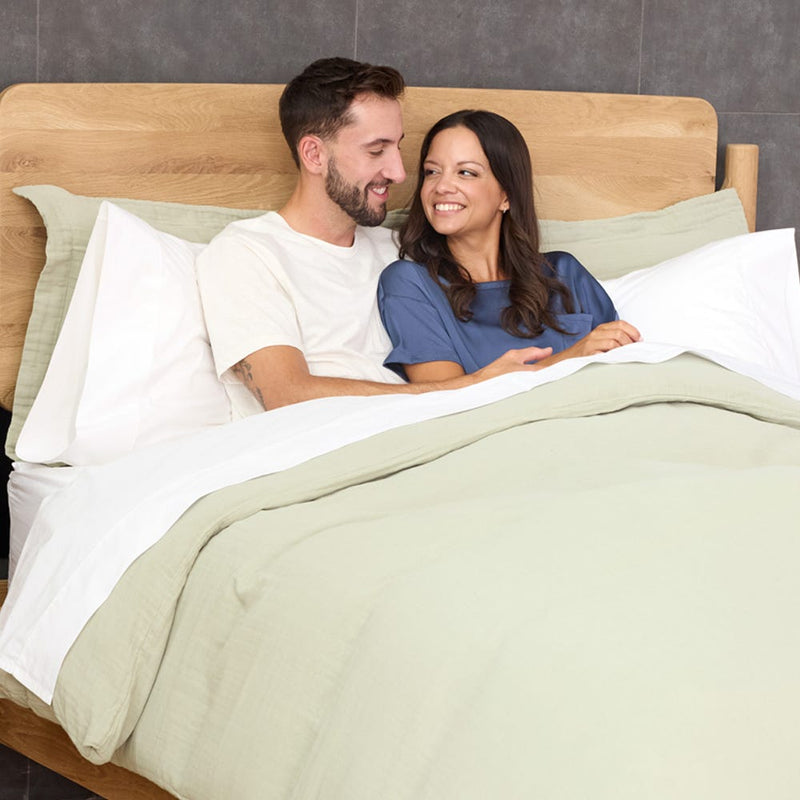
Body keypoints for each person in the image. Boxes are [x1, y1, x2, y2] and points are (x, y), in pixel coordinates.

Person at [197, 59, 552, 416]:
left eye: (397, 147)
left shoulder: (402, 250)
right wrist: (469, 387)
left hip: (431, 431)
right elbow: (287, 395)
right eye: (376, 150)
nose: (399, 173)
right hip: (325, 440)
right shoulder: (245, 254)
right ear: (314, 154)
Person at [377, 109, 641, 382]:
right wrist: (567, 358)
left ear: (507, 195)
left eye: (466, 172)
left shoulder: (565, 273)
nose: (442, 186)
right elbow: (440, 394)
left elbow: (621, 374)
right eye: (432, 171)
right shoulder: (410, 283)